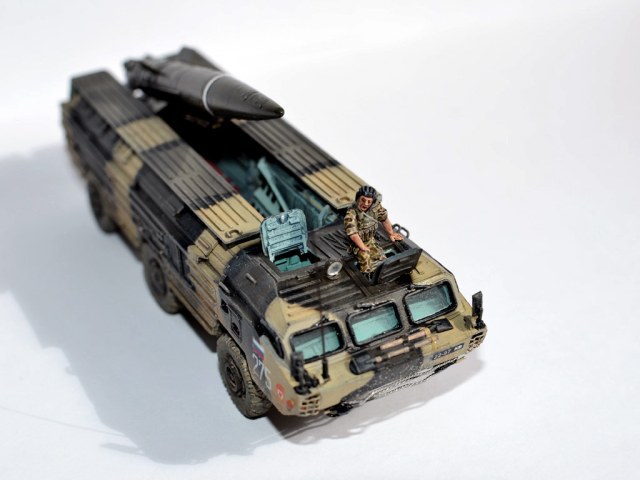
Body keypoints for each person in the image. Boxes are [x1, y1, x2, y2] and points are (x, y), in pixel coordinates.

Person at [344, 185, 404, 274]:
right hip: (356, 245)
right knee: (365, 257)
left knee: (380, 256)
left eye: (369, 201)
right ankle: (367, 274)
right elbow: (353, 234)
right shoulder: (351, 213)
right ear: (358, 199)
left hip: (370, 240)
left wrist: (391, 233)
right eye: (363, 200)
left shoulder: (376, 208)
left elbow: (384, 219)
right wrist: (362, 247)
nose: (366, 204)